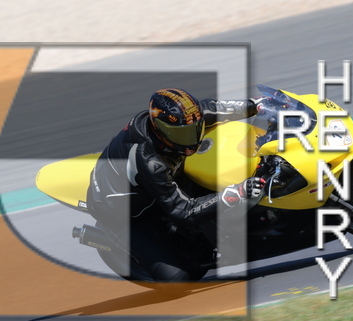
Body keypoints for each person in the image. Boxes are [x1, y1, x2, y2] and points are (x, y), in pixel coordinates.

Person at [87, 88, 265, 284]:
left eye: (194, 129)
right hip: (124, 212)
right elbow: (182, 210)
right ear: (160, 129)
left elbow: (217, 107)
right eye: (182, 134)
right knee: (177, 279)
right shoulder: (149, 160)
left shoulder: (185, 118)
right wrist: (236, 193)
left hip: (156, 183)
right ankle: (107, 236)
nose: (191, 138)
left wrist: (256, 105)